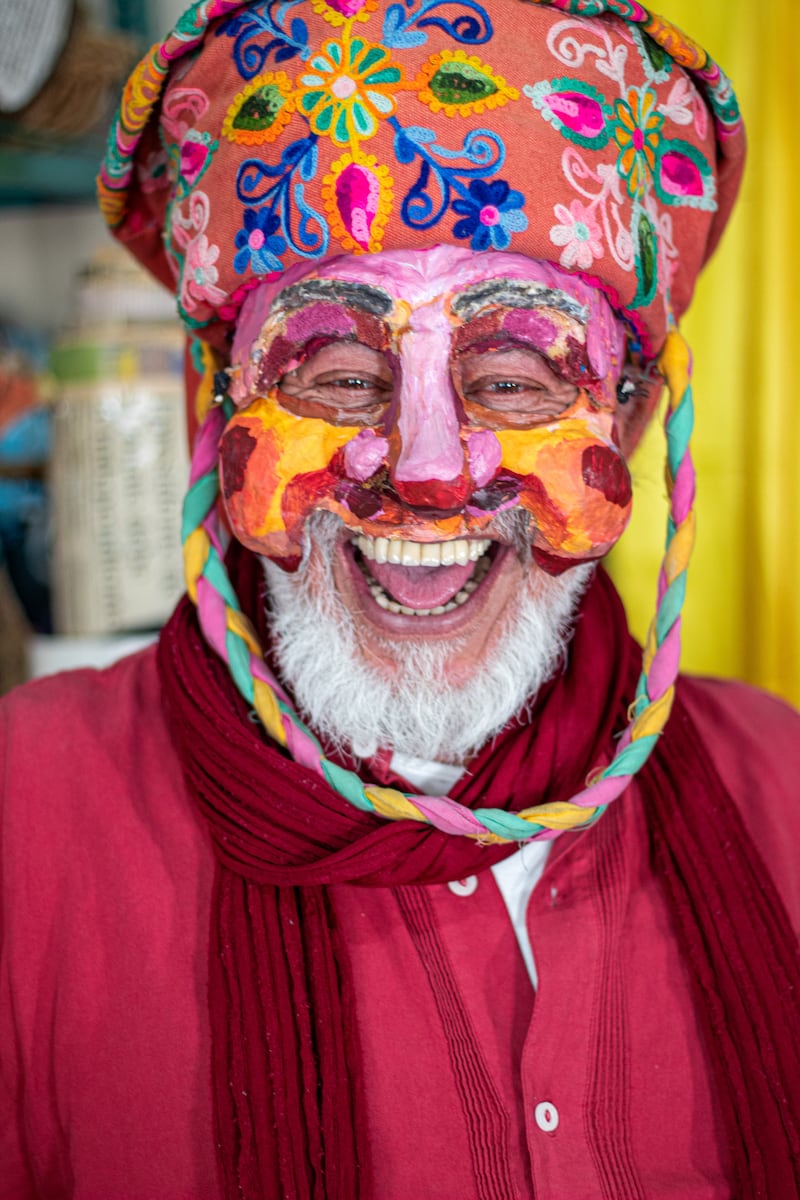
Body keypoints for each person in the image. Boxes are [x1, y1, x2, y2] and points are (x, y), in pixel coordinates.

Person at [2, 1, 799, 1197]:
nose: (425, 468)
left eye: (511, 377)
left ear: (626, 419)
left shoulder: (780, 783)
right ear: (219, 413)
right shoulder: (24, 816)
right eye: (336, 374)